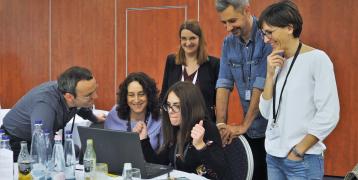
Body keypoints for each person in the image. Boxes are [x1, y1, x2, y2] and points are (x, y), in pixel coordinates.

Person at [258, 1, 340, 179]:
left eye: (269, 32)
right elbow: (265, 112)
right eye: (264, 34)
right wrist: (270, 75)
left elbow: (329, 113)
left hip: (302, 159)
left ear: (289, 27)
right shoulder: (276, 62)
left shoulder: (317, 59)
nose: (266, 39)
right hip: (273, 157)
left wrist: (299, 150)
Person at [215, 0, 272, 179]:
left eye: (232, 21)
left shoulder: (267, 37)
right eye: (224, 22)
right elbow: (223, 84)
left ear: (247, 10)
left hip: (271, 130)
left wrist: (244, 125)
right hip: (251, 131)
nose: (228, 28)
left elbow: (260, 85)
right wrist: (221, 125)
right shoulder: (228, 42)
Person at [1, 66, 105, 161]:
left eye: (95, 90)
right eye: (89, 95)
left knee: (73, 150)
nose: (96, 96)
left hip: (42, 137)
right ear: (69, 97)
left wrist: (94, 118)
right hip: (15, 143)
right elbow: (42, 146)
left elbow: (79, 105)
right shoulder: (45, 105)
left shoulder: (69, 90)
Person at [134, 82, 231, 180]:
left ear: (190, 107)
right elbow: (158, 165)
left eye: (176, 106)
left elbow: (222, 173)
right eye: (168, 105)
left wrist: (201, 146)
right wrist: (144, 140)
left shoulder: (207, 128)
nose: (171, 111)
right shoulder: (176, 128)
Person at [160, 19, 220, 122]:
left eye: (192, 38)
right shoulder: (171, 61)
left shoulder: (213, 64)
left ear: (200, 39)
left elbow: (216, 102)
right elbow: (164, 95)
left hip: (202, 124)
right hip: (175, 125)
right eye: (184, 38)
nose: (188, 43)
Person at [104, 72, 162, 151]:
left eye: (141, 94)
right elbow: (106, 146)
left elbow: (163, 156)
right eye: (131, 95)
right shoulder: (114, 114)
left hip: (149, 163)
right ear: (125, 97)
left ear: (149, 95)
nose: (136, 100)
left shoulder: (159, 117)